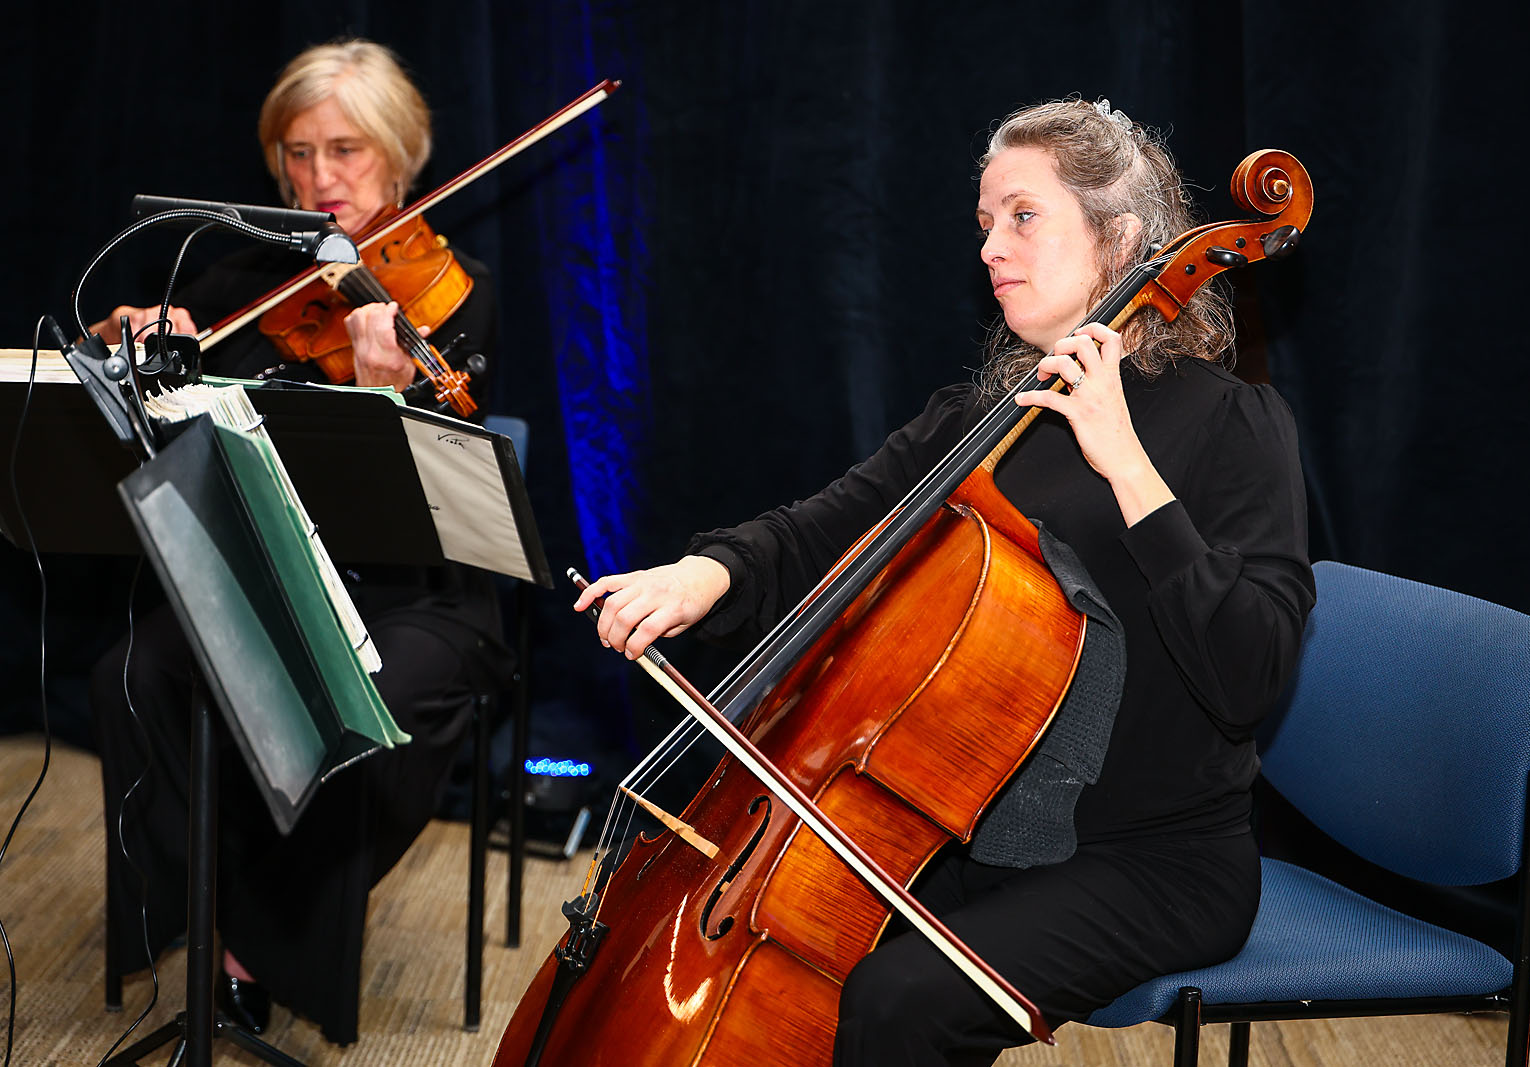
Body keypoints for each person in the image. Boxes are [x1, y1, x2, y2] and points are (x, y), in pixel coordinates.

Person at [574, 98, 1314, 1065]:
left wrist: (1130, 467)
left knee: (900, 1000)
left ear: (1121, 237)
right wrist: (704, 571)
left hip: (1153, 856)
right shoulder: (988, 415)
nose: (992, 248)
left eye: (1023, 215)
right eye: (984, 223)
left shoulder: (1235, 426)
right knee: (792, 948)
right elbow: (824, 527)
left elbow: (1251, 674)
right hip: (975, 825)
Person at [89, 39, 512, 1045]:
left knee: (357, 702)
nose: (318, 180)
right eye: (298, 155)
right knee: (131, 671)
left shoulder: (456, 294)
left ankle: (256, 948)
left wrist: (379, 401)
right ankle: (202, 906)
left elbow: (445, 500)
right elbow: (198, 443)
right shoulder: (244, 280)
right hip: (267, 571)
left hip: (418, 590)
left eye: (346, 152)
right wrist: (148, 354)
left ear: (401, 156)